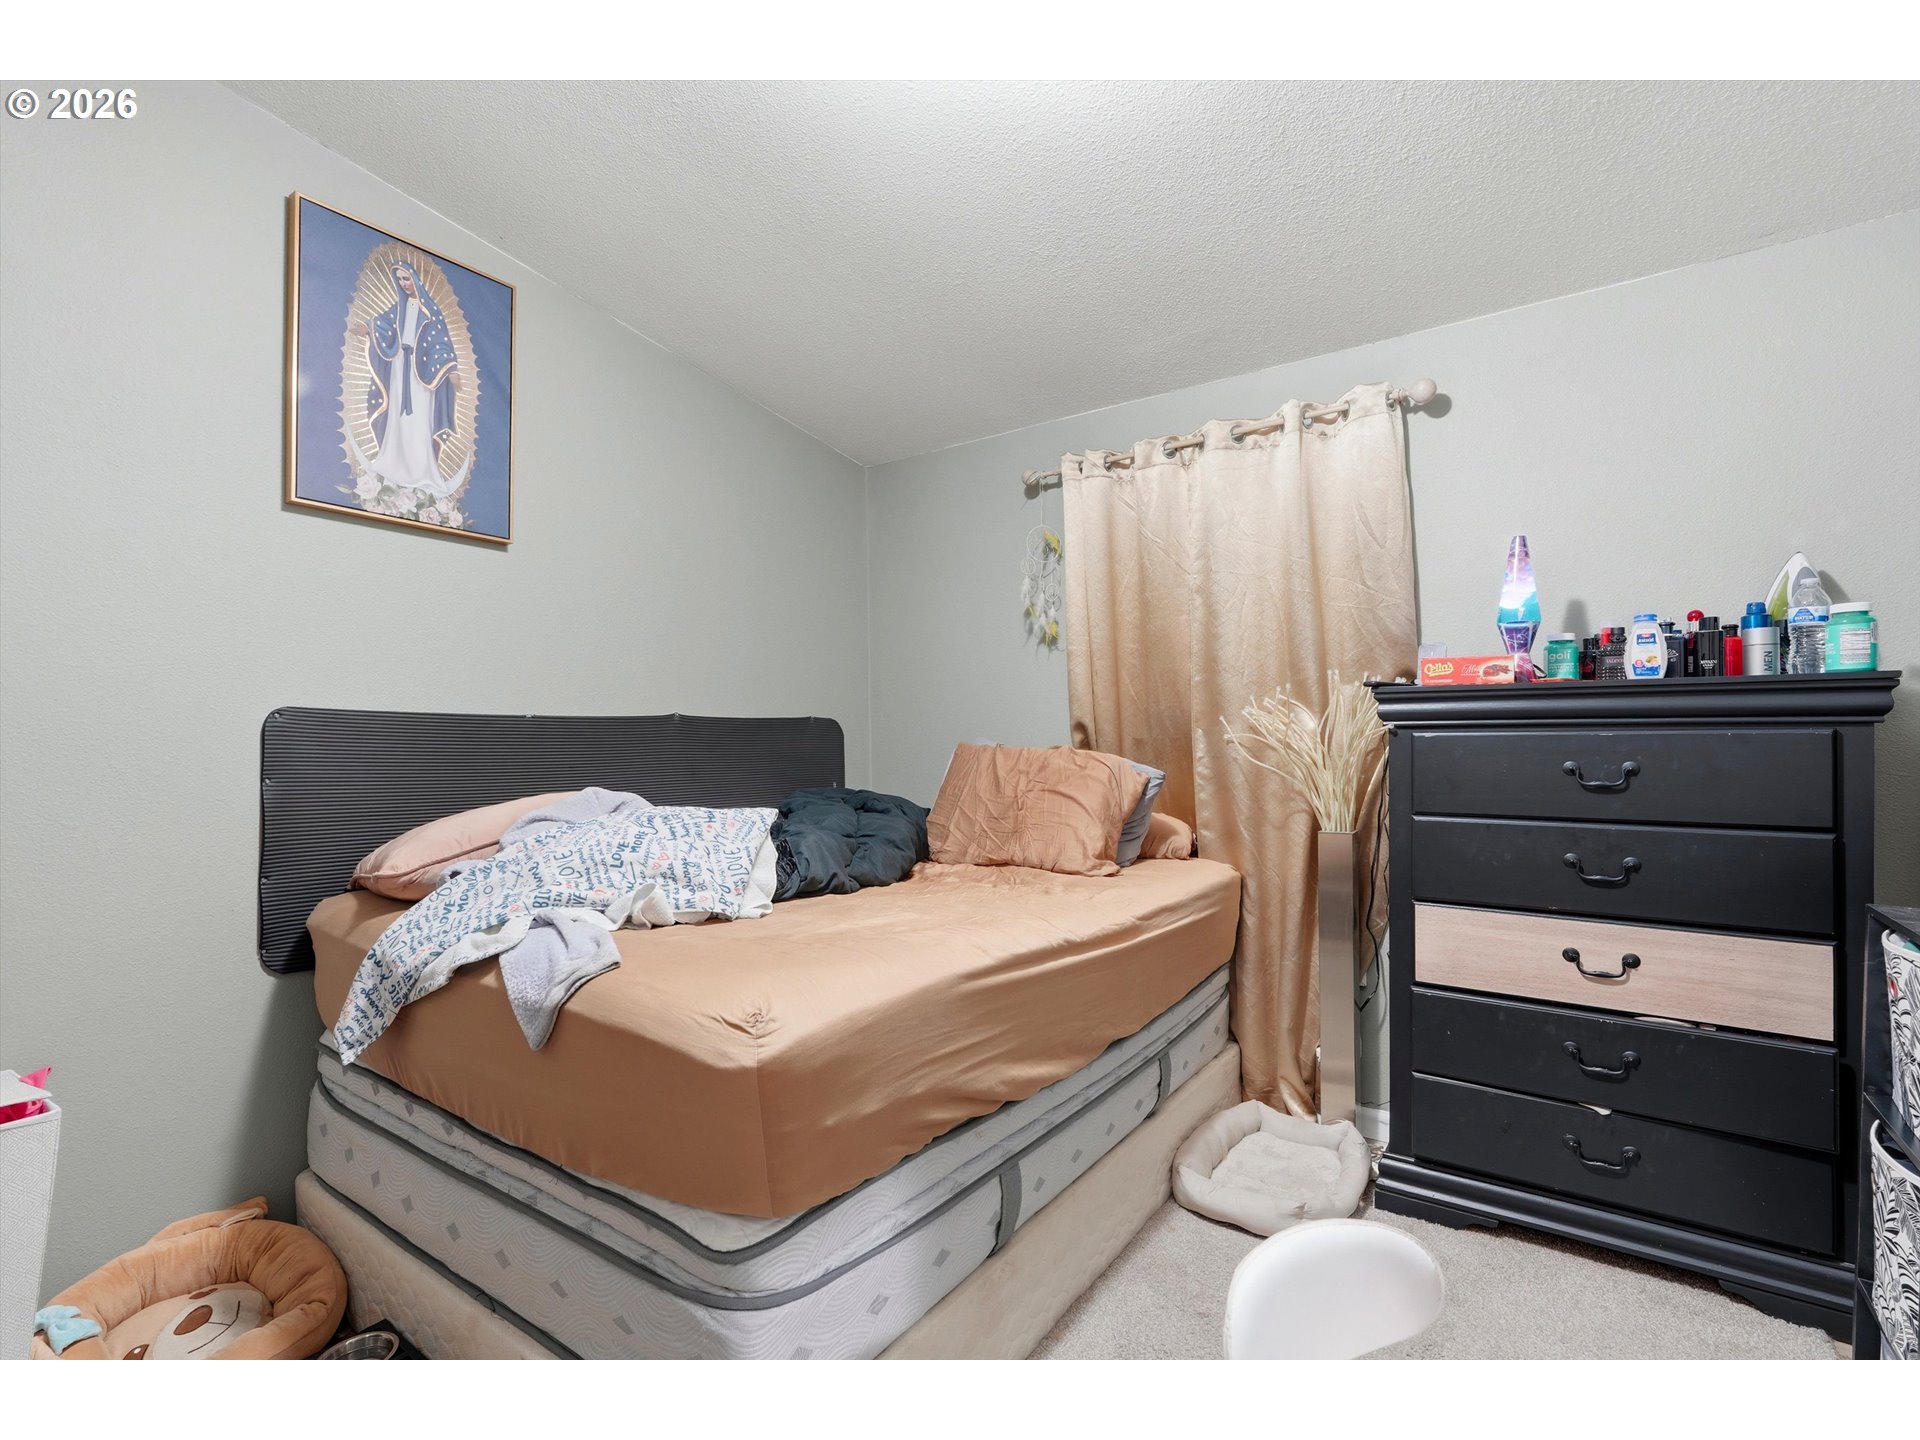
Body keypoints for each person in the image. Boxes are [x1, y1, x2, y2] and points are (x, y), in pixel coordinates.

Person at [348, 260, 463, 497]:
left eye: (406, 278)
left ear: (415, 279)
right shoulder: (399, 308)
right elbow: (384, 324)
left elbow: (442, 342)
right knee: (397, 419)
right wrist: (367, 328)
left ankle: (421, 472)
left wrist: (451, 369)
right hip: (400, 367)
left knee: (419, 420)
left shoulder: (430, 310)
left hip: (422, 374)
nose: (404, 283)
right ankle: (392, 466)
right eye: (399, 279)